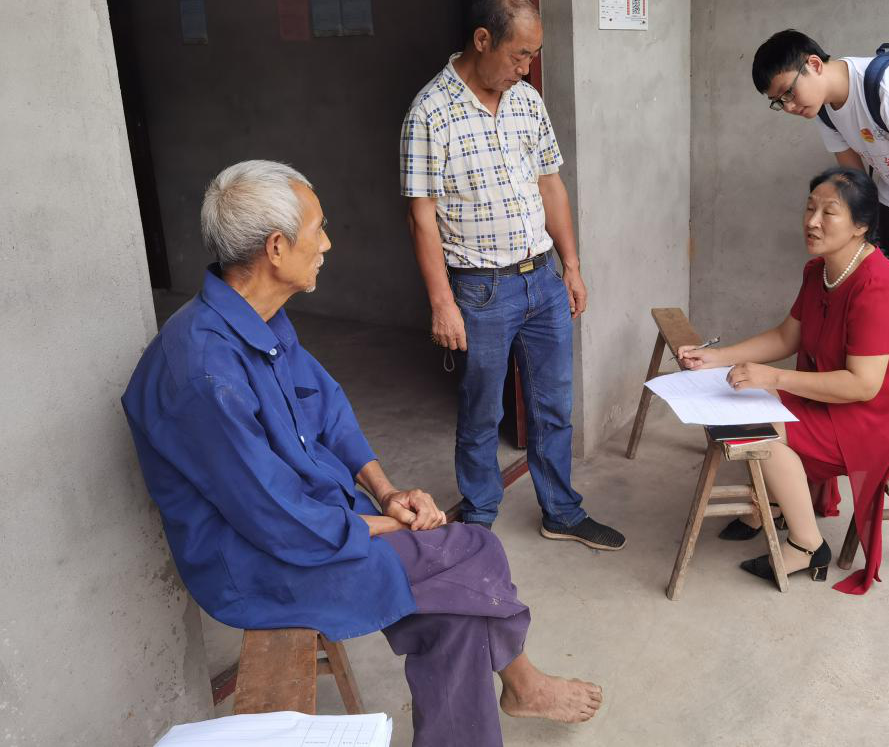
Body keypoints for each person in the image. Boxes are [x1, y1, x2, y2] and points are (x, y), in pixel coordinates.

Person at [121, 161, 602, 746]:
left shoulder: (255, 318)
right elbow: (278, 521)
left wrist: (387, 491)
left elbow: (326, 407)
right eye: (318, 229)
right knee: (472, 548)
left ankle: (513, 694)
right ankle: (522, 683)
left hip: (310, 518)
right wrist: (388, 524)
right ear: (276, 247)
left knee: (454, 615)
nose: (327, 243)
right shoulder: (203, 373)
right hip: (258, 564)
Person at [401, 0, 624, 549]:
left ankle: (561, 511)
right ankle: (479, 517)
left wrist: (571, 265)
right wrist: (442, 303)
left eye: (533, 56)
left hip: (542, 278)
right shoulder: (430, 112)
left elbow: (551, 184)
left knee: (554, 405)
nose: (526, 69)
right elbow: (422, 217)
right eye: (519, 54)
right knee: (481, 411)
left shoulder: (526, 100)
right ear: (483, 40)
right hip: (480, 290)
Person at [678, 168, 889, 595]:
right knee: (748, 403)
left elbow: (864, 385)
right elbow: (788, 336)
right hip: (856, 400)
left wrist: (776, 377)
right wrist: (717, 358)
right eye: (809, 208)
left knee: (758, 426)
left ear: (860, 225)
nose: (813, 221)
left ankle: (806, 546)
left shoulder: (877, 287)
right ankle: (773, 505)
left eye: (829, 212)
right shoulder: (820, 271)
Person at [751, 30, 889, 476]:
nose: (790, 107)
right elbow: (854, 189)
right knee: (883, 313)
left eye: (789, 93)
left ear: (814, 64)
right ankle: (869, 414)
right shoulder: (825, 111)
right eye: (779, 102)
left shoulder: (887, 86)